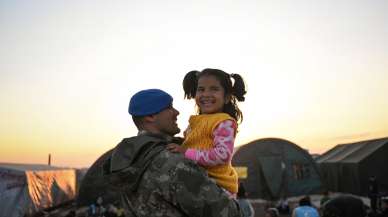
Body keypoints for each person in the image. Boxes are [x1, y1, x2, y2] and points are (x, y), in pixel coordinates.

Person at [104, 89, 242, 217]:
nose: (176, 112)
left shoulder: (127, 161)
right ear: (151, 116)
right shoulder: (173, 163)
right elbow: (229, 213)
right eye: (169, 107)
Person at [167, 68, 247, 197]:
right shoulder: (195, 122)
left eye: (214, 89)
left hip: (219, 187)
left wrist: (185, 152)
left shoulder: (224, 122)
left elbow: (222, 155)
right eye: (201, 89)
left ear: (226, 97)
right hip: (200, 179)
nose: (206, 94)